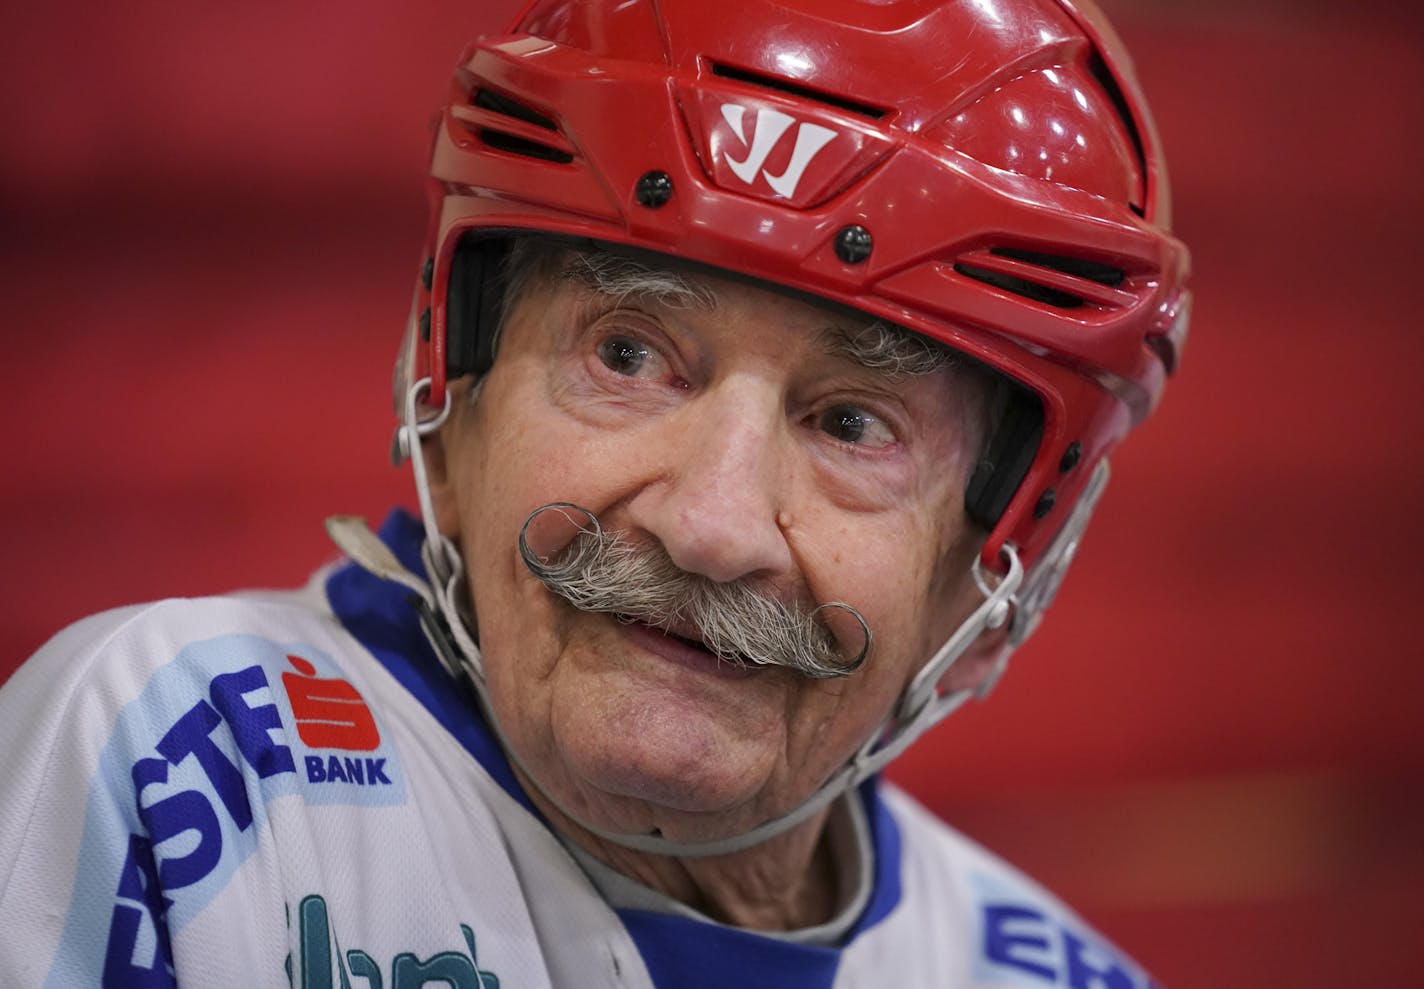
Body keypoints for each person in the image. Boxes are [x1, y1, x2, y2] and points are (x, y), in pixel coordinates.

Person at [0, 0, 1191, 985]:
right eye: (626, 353)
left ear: (993, 565)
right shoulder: (174, 763)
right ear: (449, 394)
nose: (711, 525)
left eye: (850, 424)